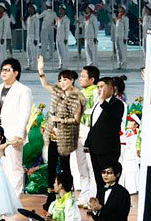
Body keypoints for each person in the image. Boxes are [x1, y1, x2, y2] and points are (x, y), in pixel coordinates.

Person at [0, 57, 32, 197]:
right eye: (2, 70)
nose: (3, 73)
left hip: (12, 133)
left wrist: (19, 134)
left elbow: (25, 114)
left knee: (13, 167)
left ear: (15, 73)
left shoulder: (23, 90)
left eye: (7, 70)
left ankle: (14, 197)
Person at [38, 57, 84, 209]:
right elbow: (45, 85)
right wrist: (41, 71)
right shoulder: (57, 92)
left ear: (71, 81)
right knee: (51, 167)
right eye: (60, 80)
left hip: (66, 137)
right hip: (53, 136)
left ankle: (67, 196)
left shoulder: (77, 96)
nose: (62, 83)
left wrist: (61, 120)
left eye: (65, 80)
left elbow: (76, 119)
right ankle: (51, 196)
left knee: (65, 168)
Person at [85, 77, 123, 201]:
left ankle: (111, 203)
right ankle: (99, 203)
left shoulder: (117, 104)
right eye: (98, 87)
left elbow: (114, 117)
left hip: (108, 149)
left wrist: (103, 102)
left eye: (102, 87)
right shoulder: (98, 103)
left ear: (111, 89)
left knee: (110, 179)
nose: (99, 90)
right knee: (98, 178)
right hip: (95, 147)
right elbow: (94, 125)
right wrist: (88, 142)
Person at [73, 65, 99, 206]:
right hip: (78, 132)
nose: (80, 79)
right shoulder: (80, 92)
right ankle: (84, 194)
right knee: (81, 166)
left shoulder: (96, 92)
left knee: (90, 166)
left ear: (92, 79)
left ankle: (93, 197)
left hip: (89, 133)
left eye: (83, 76)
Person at [24, 3, 40, 70]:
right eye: (29, 8)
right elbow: (25, 28)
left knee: (34, 52)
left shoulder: (36, 18)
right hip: (28, 36)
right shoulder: (28, 18)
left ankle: (34, 66)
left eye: (31, 8)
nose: (29, 9)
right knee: (29, 52)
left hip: (34, 37)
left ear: (34, 10)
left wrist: (36, 39)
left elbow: (37, 29)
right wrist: (22, 21)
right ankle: (29, 64)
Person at [54, 5, 69, 70]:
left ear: (64, 11)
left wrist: (66, 38)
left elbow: (67, 29)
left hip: (63, 38)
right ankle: (60, 64)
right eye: (60, 9)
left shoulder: (66, 19)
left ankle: (65, 65)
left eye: (62, 9)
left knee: (64, 52)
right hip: (58, 37)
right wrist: (54, 24)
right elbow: (56, 27)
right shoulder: (58, 19)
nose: (60, 11)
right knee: (59, 52)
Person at [114, 5, 128, 70]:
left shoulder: (125, 18)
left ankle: (124, 64)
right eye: (119, 8)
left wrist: (125, 37)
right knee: (118, 51)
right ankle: (118, 64)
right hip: (117, 36)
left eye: (121, 8)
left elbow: (126, 29)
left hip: (122, 37)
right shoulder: (118, 18)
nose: (119, 9)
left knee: (123, 51)